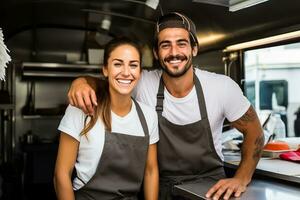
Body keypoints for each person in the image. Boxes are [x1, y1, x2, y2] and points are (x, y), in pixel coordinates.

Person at [67, 12, 264, 200]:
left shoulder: (222, 87)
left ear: (194, 49)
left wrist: (241, 178)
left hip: (211, 189)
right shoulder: (143, 83)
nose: (174, 52)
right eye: (165, 45)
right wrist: (81, 82)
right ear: (156, 52)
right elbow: (109, 82)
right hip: (161, 189)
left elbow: (255, 132)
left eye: (181, 43)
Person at [54, 37, 159, 200]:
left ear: (139, 72)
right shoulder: (80, 109)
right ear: (105, 69)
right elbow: (61, 175)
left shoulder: (148, 116)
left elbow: (151, 170)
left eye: (133, 65)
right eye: (118, 64)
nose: (126, 72)